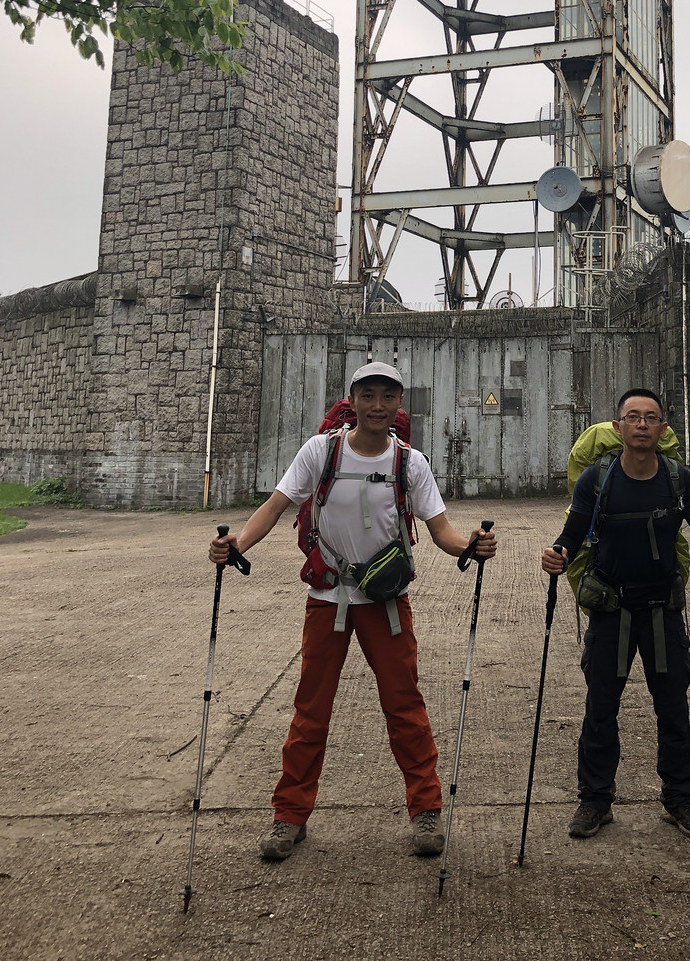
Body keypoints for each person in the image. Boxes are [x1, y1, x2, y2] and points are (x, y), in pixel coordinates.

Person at [208, 362, 496, 862]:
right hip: (328, 599)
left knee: (405, 707)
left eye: (388, 396)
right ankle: (288, 816)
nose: (378, 405)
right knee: (310, 710)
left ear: (399, 403)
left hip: (385, 603)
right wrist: (238, 542)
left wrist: (469, 545)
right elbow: (275, 506)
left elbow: (441, 530)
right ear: (353, 400)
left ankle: (426, 809)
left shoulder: (411, 463)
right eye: (368, 395)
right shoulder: (321, 452)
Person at [540, 386, 690, 841]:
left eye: (650, 418)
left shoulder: (679, 480)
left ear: (662, 428)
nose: (642, 424)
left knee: (673, 707)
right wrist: (557, 554)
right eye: (633, 417)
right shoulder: (597, 480)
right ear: (617, 426)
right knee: (600, 708)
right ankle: (595, 800)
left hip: (663, 609)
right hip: (610, 609)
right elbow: (572, 531)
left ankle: (680, 800)